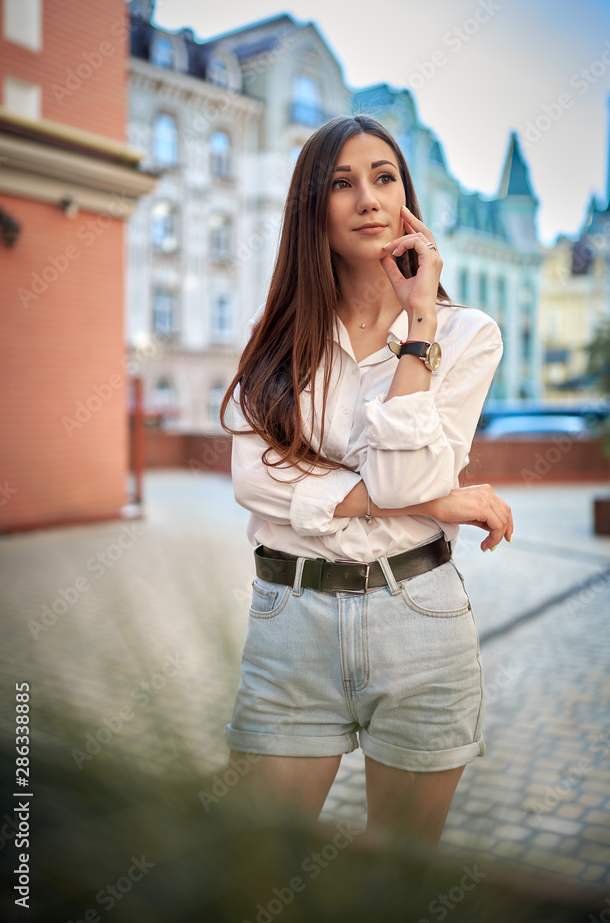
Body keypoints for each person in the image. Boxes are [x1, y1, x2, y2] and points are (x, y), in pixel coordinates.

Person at [220, 114, 513, 849]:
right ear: (312, 208)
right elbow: (255, 481)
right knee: (255, 864)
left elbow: (399, 471)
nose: (368, 198)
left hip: (418, 619)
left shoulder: (467, 333)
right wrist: (441, 501)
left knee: (400, 882)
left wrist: (418, 325)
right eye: (342, 183)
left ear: (408, 199)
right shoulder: (276, 336)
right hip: (289, 621)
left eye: (384, 177)